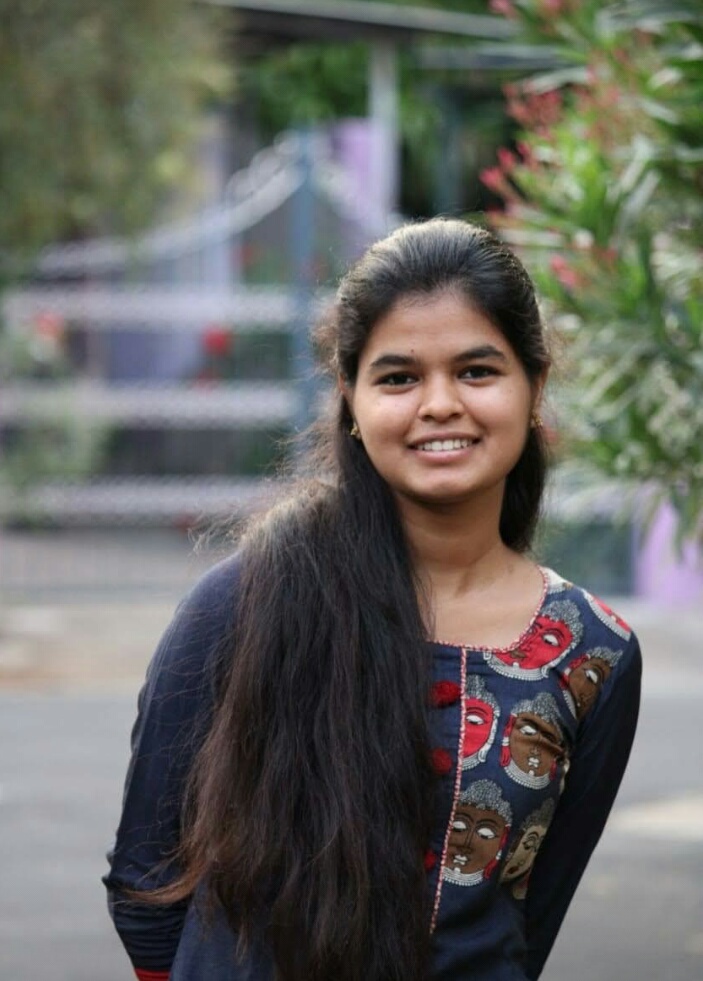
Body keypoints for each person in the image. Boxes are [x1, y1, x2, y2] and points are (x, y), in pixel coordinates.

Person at [103, 217, 642, 981]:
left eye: (476, 370)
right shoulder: (247, 602)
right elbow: (145, 884)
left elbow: (530, 919)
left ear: (534, 387)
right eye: (398, 378)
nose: (439, 403)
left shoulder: (592, 653)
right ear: (350, 401)